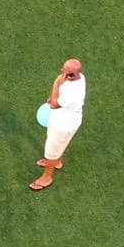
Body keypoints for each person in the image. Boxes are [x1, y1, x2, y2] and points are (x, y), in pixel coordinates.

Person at [31, 58, 85, 192]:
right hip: (61, 118)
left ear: (72, 75)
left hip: (64, 124)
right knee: (55, 144)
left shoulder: (73, 93)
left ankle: (47, 177)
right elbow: (55, 100)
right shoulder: (79, 77)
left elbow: (55, 105)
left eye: (65, 70)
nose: (61, 71)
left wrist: (56, 84)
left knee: (51, 150)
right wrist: (54, 95)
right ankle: (57, 162)